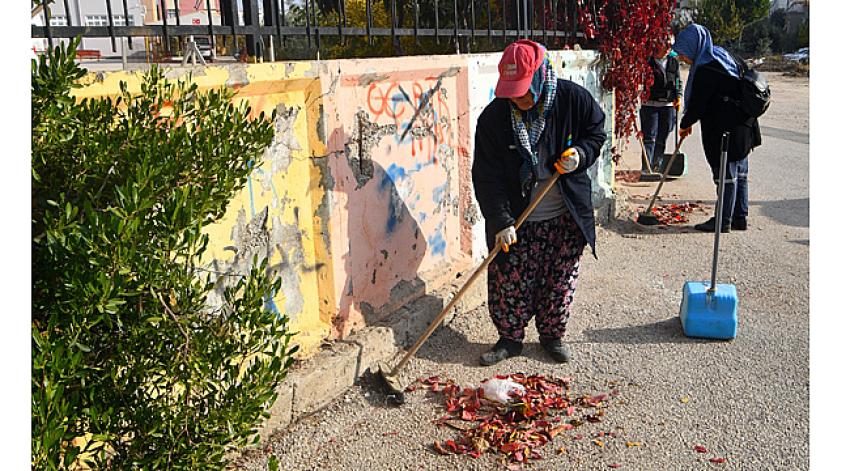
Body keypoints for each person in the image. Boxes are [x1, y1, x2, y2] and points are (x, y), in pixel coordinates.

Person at [471, 40, 607, 366]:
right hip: (519, 218)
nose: (518, 98)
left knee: (558, 282)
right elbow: (487, 176)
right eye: (512, 91)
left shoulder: (573, 100)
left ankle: (552, 336)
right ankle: (509, 339)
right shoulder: (493, 118)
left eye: (523, 90)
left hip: (565, 213)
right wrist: (501, 220)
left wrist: (581, 155)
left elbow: (596, 132)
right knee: (510, 281)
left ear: (539, 77)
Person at [674, 24, 762, 232]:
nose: (682, 59)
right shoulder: (724, 56)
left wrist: (685, 124)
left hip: (726, 129)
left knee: (726, 175)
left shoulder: (707, 68)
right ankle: (739, 217)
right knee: (739, 171)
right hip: (745, 124)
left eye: (683, 53)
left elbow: (698, 104)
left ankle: (723, 221)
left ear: (693, 46)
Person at [640, 38, 683, 175]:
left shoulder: (673, 61)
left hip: (668, 105)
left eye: (670, 46)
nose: (668, 48)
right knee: (650, 136)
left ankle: (657, 164)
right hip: (650, 105)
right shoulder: (647, 61)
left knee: (663, 135)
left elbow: (677, 80)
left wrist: (678, 97)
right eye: (666, 45)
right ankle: (646, 167)